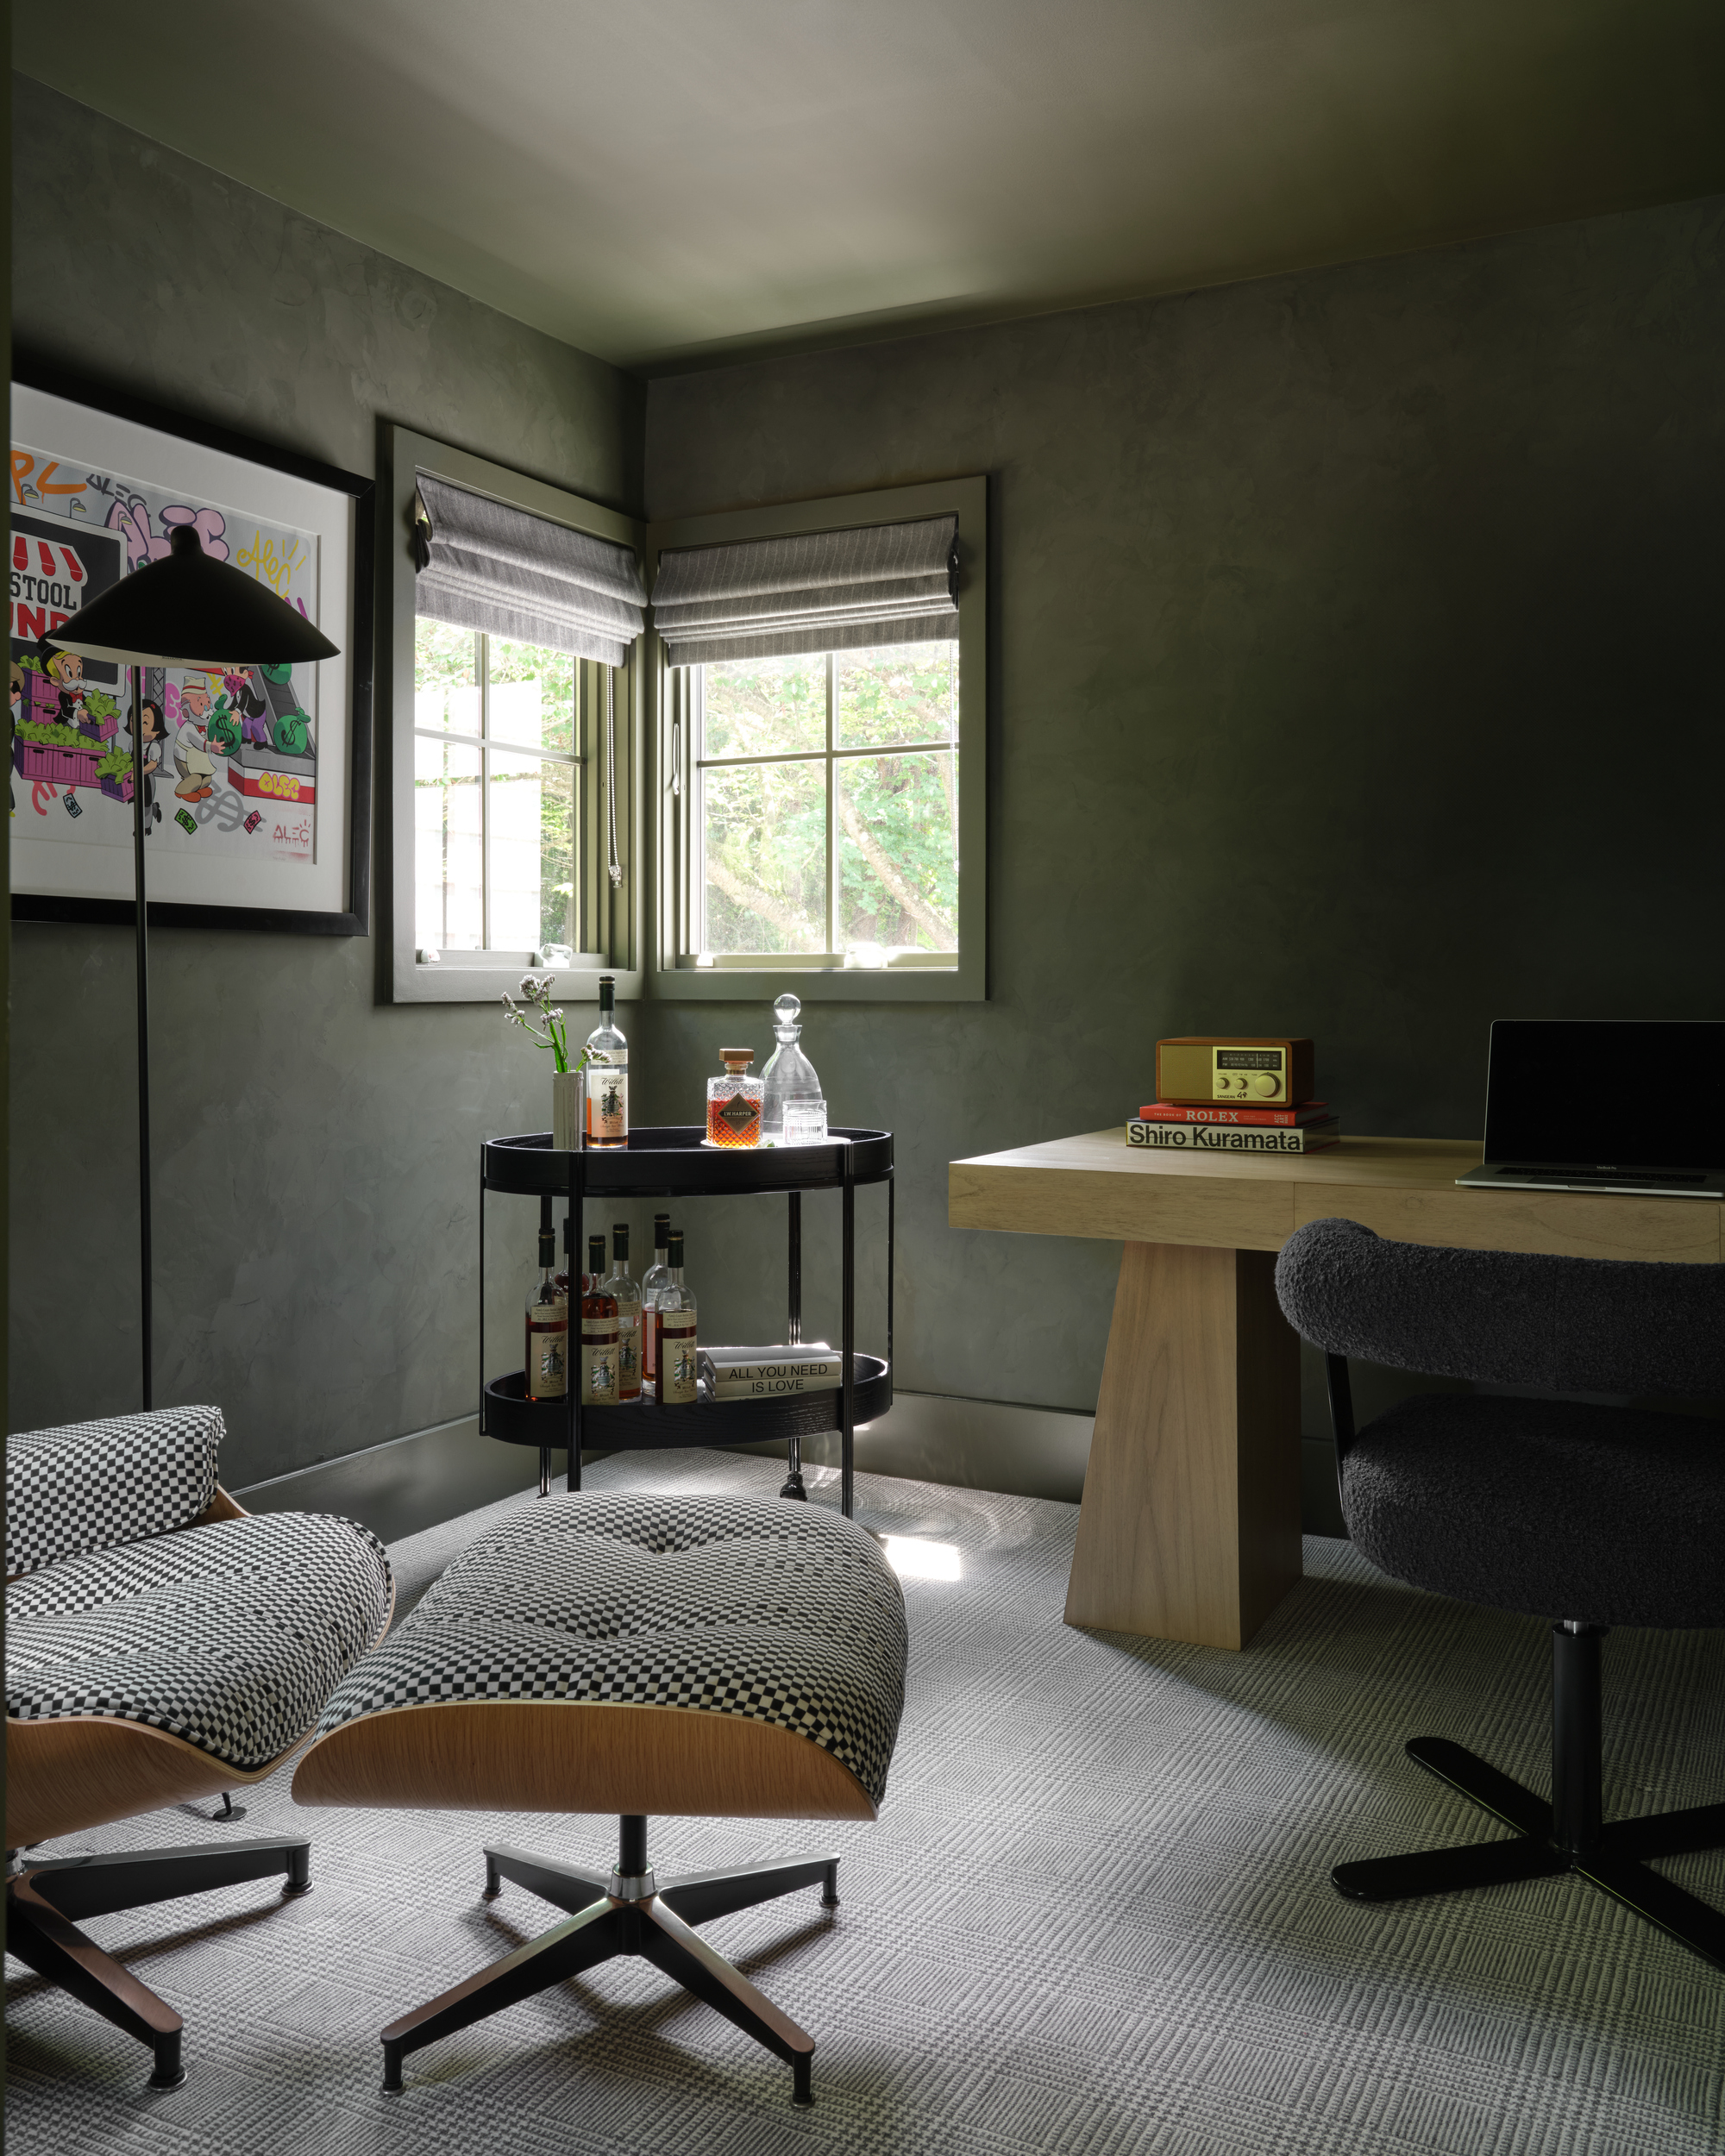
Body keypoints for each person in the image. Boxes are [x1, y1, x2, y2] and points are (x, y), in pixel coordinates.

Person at [173, 680, 216, 803]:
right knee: (196, 779)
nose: (207, 708)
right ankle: (181, 791)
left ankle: (195, 788)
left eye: (208, 702)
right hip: (184, 761)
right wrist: (212, 747)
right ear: (186, 712)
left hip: (197, 761)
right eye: (201, 704)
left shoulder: (205, 726)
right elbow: (201, 743)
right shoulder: (189, 728)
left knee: (207, 779)